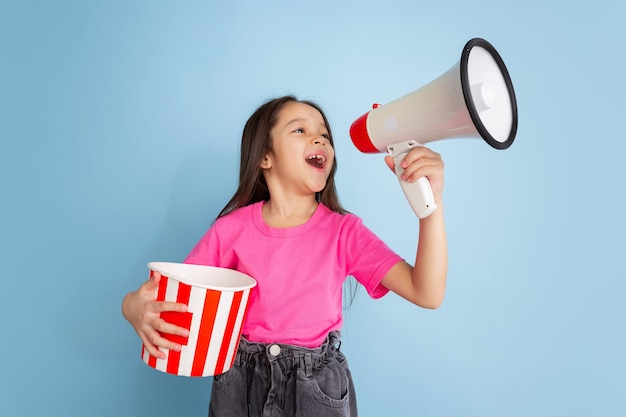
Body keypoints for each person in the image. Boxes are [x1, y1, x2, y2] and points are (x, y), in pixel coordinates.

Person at [122, 95, 447, 416]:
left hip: (315, 390)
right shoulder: (229, 230)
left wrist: (430, 207)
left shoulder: (344, 233)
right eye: (300, 130)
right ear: (265, 157)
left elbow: (427, 292)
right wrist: (131, 305)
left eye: (324, 133)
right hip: (239, 386)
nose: (319, 137)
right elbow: (174, 294)